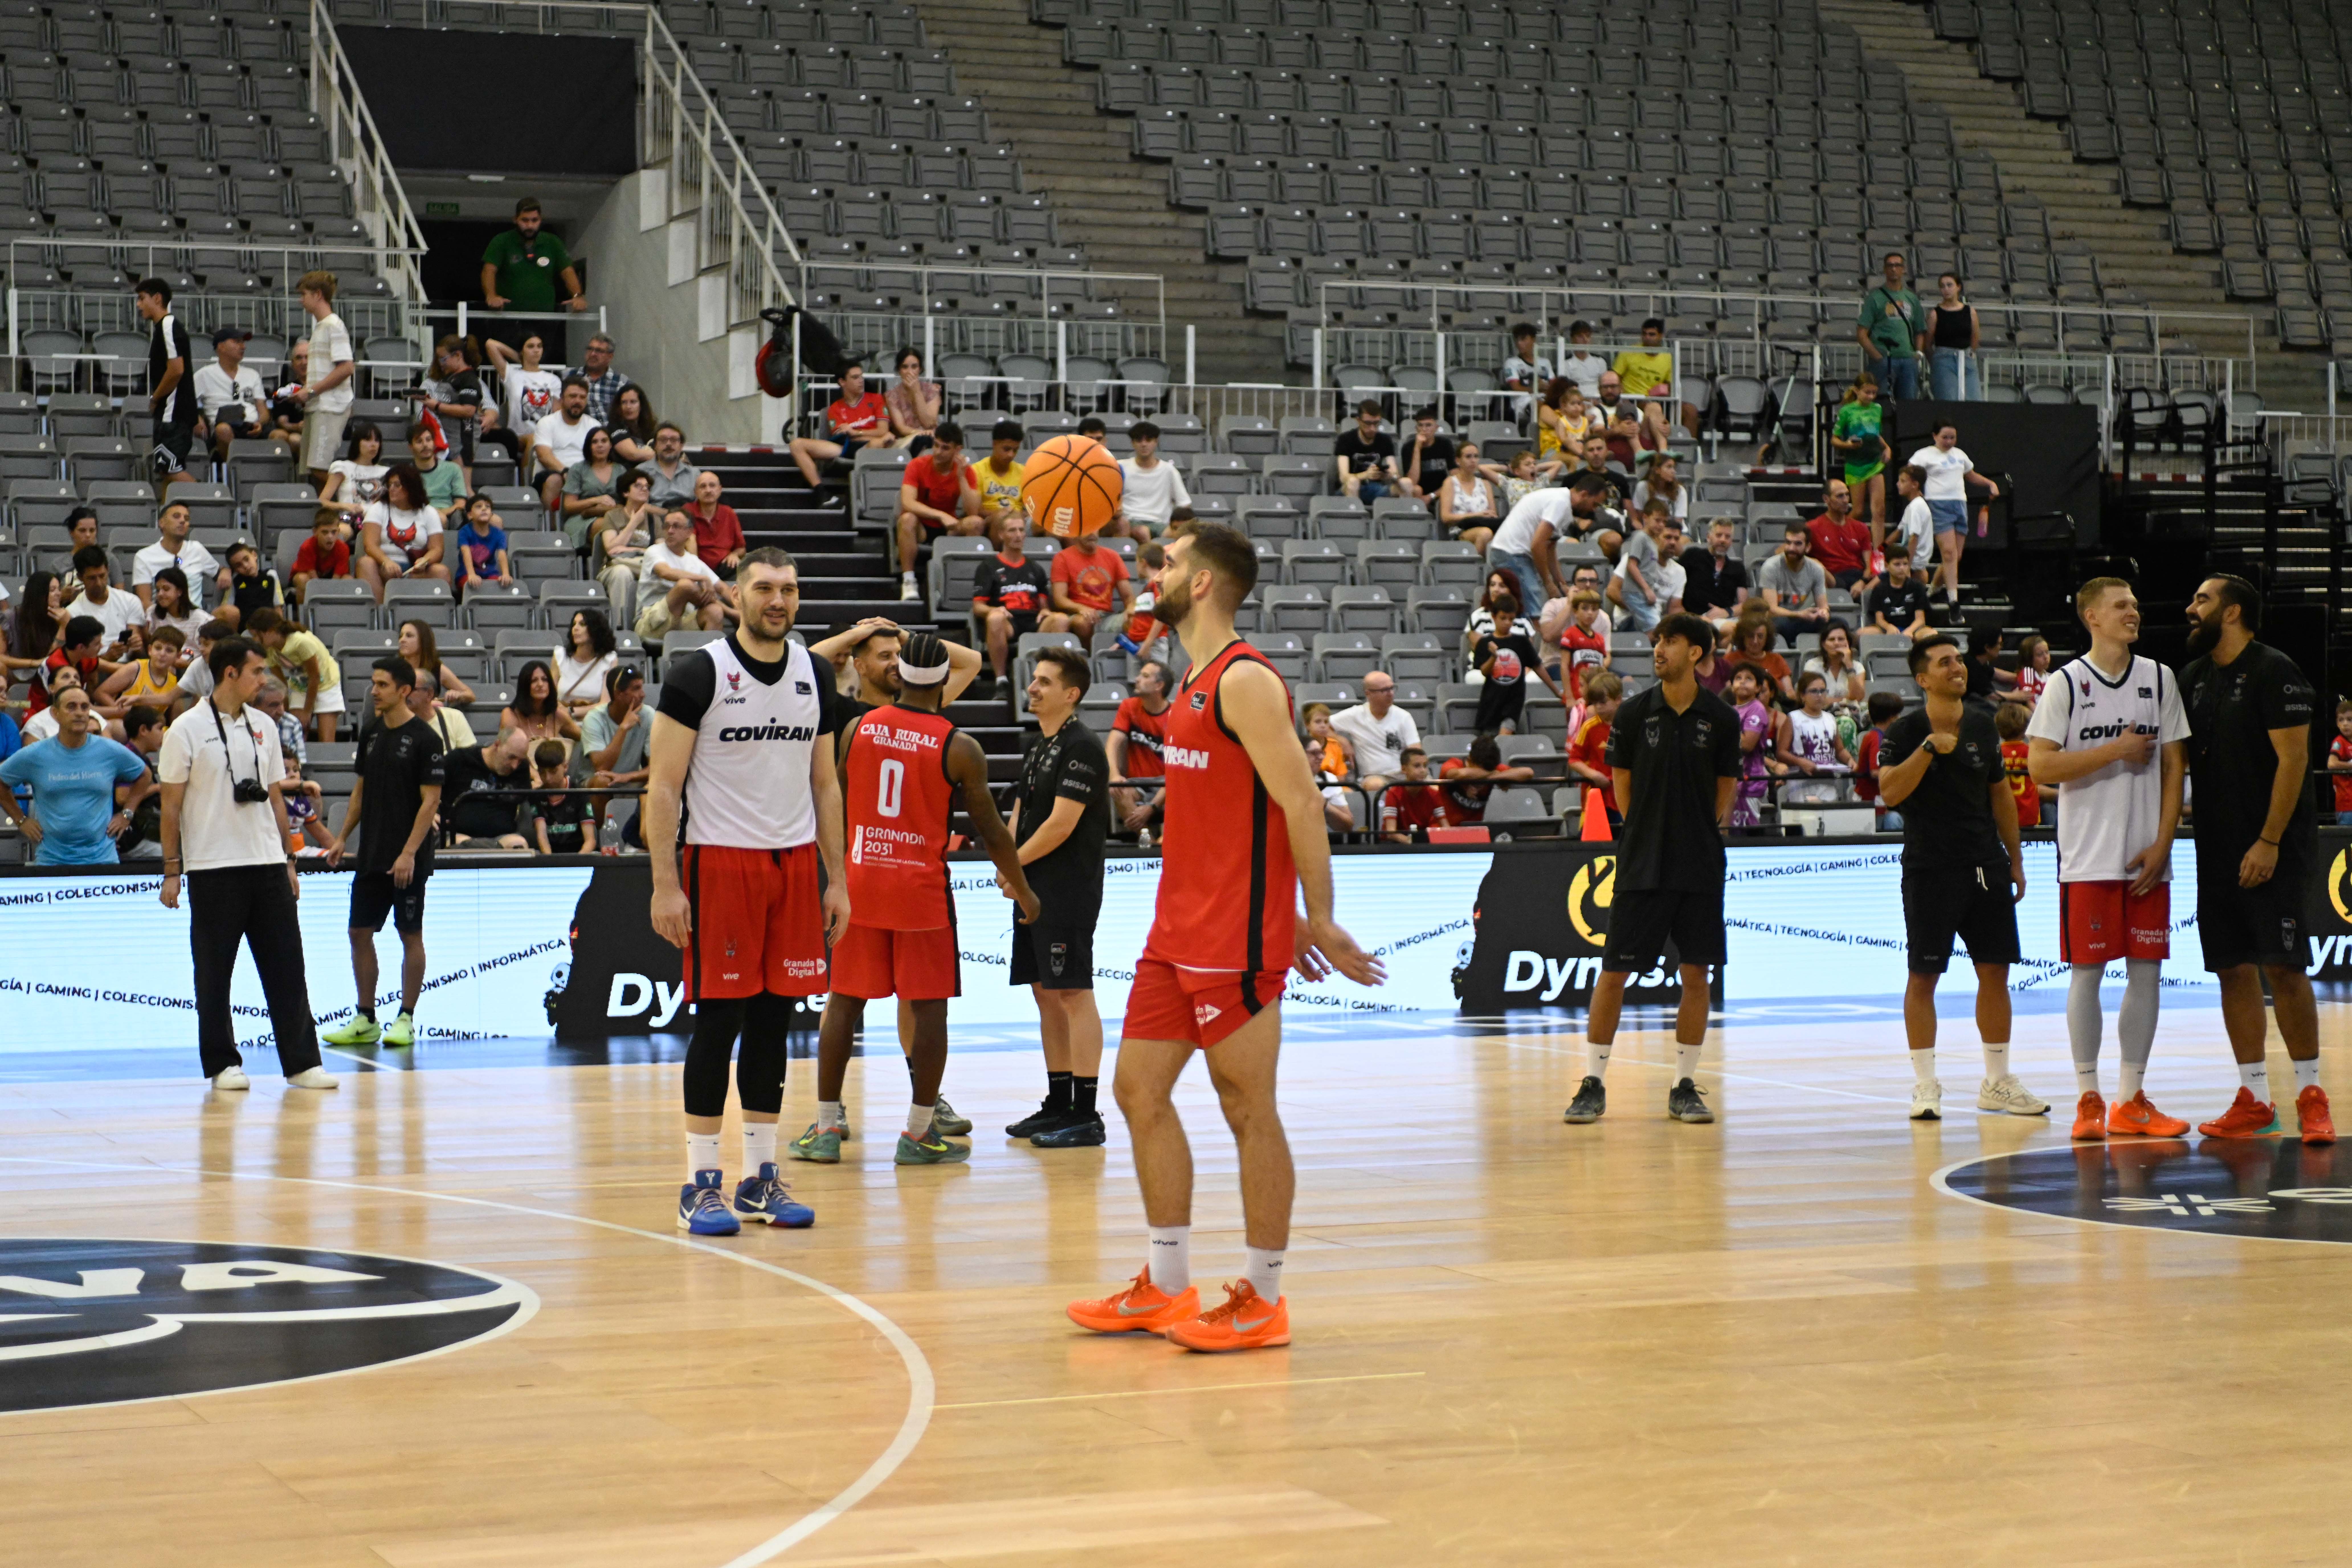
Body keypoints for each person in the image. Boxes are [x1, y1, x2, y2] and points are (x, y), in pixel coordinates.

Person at [1065, 522, 1383, 1353]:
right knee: (1137, 1091)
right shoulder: (1188, 681)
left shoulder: (1244, 681)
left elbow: (1301, 801)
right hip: (1176, 930)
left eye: (1169, 563)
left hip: (1232, 936)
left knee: (1247, 1107)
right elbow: (1224, 813)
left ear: (1202, 582)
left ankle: (1264, 1296)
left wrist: (1315, 916)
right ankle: (1168, 1283)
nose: (1154, 572)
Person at [645, 546, 848, 1235]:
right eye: (763, 587)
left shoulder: (816, 673)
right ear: (736, 594)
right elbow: (663, 787)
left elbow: (825, 783)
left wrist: (837, 879)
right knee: (719, 1025)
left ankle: (761, 1179)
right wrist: (665, 884)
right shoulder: (699, 673)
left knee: (773, 1022)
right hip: (719, 864)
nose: (777, 600)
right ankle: (699, 1184)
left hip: (793, 867)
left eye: (788, 589)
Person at [793, 631, 1038, 1169]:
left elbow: (832, 804)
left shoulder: (858, 729)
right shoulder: (960, 746)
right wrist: (1022, 887)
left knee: (844, 1001)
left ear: (899, 674)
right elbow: (993, 830)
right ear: (946, 680)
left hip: (862, 883)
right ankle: (920, 1132)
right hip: (920, 892)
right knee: (928, 1010)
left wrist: (835, 873)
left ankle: (827, 1127)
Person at [2025, 577, 2191, 1142]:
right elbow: (2041, 767)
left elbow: (2175, 766)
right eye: (2121, 605)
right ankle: (2088, 1098)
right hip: (2089, 857)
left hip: (2147, 856)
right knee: (2087, 975)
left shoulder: (2160, 677)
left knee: (2147, 974)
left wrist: (2165, 843)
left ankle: (2130, 1098)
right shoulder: (2066, 683)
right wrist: (2115, 750)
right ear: (2092, 616)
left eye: (2136, 604)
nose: (2133, 612)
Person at [1563, 612, 1740, 1127]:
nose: (1659, 649)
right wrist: (1649, 829)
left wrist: (1694, 831)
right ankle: (1593, 1082)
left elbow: (1724, 791)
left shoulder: (1721, 718)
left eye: (1671, 641)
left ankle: (1684, 1085)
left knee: (1697, 973)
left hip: (1700, 863)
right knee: (1614, 972)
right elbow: (1622, 786)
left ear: (1697, 653)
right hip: (1642, 861)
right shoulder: (1634, 713)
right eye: (1658, 640)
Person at [2177, 576, 2333, 1142]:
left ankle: (2312, 1094)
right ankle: (2255, 1099)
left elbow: (2294, 760)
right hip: (2216, 847)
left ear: (2233, 611)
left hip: (2275, 846)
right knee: (2231, 968)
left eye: (2202, 599)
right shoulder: (2192, 678)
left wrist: (2268, 840)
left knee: (2284, 967)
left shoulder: (2275, 670)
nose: (2190, 608)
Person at [1873, 633, 2045, 1121]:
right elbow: (1890, 792)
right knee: (1923, 975)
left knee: (1996, 970)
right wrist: (1929, 749)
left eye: (1959, 660)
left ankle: (1998, 1081)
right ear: (1922, 679)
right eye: (1944, 662)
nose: (1957, 668)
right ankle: (1925, 1085)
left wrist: (2015, 860)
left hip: (1986, 864)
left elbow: (2001, 796)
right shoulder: (1906, 731)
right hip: (1930, 867)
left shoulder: (1983, 724)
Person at [157, 634, 336, 1091]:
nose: (264, 679)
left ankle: (303, 1064)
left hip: (268, 863)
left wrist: (289, 859)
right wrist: (172, 870)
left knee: (288, 968)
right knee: (214, 973)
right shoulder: (186, 729)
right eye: (257, 671)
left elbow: (274, 796)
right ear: (231, 673)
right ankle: (223, 1064)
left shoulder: (266, 726)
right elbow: (171, 807)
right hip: (212, 867)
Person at [984, 646, 1115, 1147]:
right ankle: (1059, 1102)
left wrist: (1014, 867)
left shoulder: (1082, 747)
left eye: (1044, 681)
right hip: (1033, 888)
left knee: (1073, 992)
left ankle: (1086, 1113)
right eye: (1033, 679)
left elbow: (1062, 824)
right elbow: (1022, 811)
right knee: (1045, 993)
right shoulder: (1039, 744)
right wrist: (1009, 863)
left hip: (1067, 890)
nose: (1033, 687)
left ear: (1071, 693)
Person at [320, 657, 444, 1050]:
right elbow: (361, 790)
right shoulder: (371, 731)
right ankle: (366, 1018)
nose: (374, 691)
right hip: (371, 853)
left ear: (405, 691)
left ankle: (406, 1017)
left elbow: (430, 802)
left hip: (407, 857)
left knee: (410, 934)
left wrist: (408, 853)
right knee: (359, 932)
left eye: (383, 685)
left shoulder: (427, 739)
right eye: (374, 683)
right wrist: (342, 838)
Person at [0, 681, 150, 864]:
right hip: (52, 860)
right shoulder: (36, 754)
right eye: (71, 707)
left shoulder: (109, 750)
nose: (79, 713)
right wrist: (21, 820)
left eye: (85, 707)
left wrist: (127, 814)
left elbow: (145, 775)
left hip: (103, 860)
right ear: (56, 713)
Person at [972, 511, 1065, 698]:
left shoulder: (1035, 568)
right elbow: (978, 607)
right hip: (1008, 621)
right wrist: (995, 610)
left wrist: (1045, 611)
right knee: (995, 619)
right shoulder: (988, 566)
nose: (1018, 535)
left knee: (1061, 620)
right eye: (1012, 531)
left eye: (1022, 530)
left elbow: (1043, 604)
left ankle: (1047, 678)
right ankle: (1001, 681)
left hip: (1032, 620)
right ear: (1001, 535)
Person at [1907, 422, 1999, 612]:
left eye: (1952, 438)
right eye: (1945, 438)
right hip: (1938, 504)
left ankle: (1933, 590)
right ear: (1935, 436)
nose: (1949, 442)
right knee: (1949, 553)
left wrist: (1990, 484)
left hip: (1959, 505)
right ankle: (1953, 600)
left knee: (1956, 557)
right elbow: (1909, 474)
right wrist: (1917, 492)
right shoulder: (1924, 455)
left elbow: (1971, 475)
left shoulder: (1960, 455)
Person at [480, 196, 586, 360]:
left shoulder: (552, 242)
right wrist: (491, 296)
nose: (530, 225)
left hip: (544, 320)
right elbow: (489, 271)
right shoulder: (502, 241)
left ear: (541, 220)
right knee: (510, 365)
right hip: (509, 319)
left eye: (534, 220)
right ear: (516, 220)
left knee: (541, 363)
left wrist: (578, 296)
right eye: (525, 220)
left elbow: (568, 271)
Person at [894, 422, 981, 598]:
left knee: (976, 524)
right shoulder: (917, 465)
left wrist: (962, 478)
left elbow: (973, 511)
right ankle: (909, 581)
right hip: (922, 527)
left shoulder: (966, 471)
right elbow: (908, 503)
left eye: (945, 448)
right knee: (907, 519)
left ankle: (961, 579)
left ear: (958, 450)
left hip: (949, 529)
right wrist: (940, 515)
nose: (938, 452)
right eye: (936, 445)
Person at [295, 270, 357, 492]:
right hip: (319, 406)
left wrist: (311, 391)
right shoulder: (323, 327)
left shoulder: (333, 325)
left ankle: (357, 494)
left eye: (304, 294)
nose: (301, 300)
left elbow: (347, 367)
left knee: (320, 468)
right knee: (313, 469)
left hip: (330, 407)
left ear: (318, 295)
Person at [135, 276, 197, 491]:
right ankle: (170, 509)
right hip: (173, 412)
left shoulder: (168, 325)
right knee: (166, 469)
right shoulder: (164, 328)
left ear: (157, 299)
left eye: (142, 298)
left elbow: (176, 370)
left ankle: (209, 502)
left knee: (171, 468)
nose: (139, 305)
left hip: (173, 412)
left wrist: (156, 398)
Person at [790, 361, 895, 488]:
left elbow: (883, 431)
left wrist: (856, 433)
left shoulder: (877, 399)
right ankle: (820, 490)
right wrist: (865, 436)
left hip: (872, 446)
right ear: (842, 382)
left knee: (884, 440)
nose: (861, 381)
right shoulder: (835, 409)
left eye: (861, 377)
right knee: (796, 445)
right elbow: (844, 439)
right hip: (844, 448)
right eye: (855, 378)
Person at [246, 607, 341, 742]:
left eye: (256, 635)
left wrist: (307, 712)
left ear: (270, 631)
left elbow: (315, 677)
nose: (255, 641)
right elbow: (281, 685)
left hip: (326, 684)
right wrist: (285, 711)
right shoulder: (269, 651)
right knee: (297, 734)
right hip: (301, 686)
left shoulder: (301, 642)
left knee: (327, 742)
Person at [635, 509, 733, 638]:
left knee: (715, 612)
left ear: (689, 532)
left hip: (682, 622)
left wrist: (741, 608)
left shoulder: (694, 561)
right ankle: (732, 615)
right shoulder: (654, 551)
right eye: (667, 526)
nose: (670, 531)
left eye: (676, 526)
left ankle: (707, 652)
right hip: (652, 622)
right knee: (685, 586)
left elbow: (723, 588)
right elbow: (665, 572)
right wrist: (702, 578)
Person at [1472, 594, 1561, 736]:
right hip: (1491, 703)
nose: (1507, 623)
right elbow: (1484, 671)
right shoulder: (1485, 643)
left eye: (1511, 619)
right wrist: (1494, 657)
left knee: (1504, 737)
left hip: (1513, 703)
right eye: (1503, 618)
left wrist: (1556, 692)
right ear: (1494, 617)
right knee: (1491, 744)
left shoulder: (1522, 642)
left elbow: (1538, 667)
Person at [1486, 485, 1572, 622]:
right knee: (1533, 607)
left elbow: (1550, 549)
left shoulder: (1563, 505)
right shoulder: (1561, 502)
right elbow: (1537, 546)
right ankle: (1533, 633)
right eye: (1595, 504)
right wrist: (1548, 583)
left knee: (1525, 606)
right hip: (1511, 553)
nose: (1594, 510)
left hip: (1513, 553)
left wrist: (1562, 584)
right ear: (1584, 495)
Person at [1328, 670, 1419, 800]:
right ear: (1369, 694)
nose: (1391, 693)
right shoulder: (1356, 715)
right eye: (1385, 690)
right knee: (1375, 786)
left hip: (1404, 775)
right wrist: (1342, 740)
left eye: (1392, 688)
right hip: (1375, 776)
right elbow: (1324, 727)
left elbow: (1415, 751)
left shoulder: (1404, 717)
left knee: (1434, 787)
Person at [438, 727, 533, 847]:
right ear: (497, 745)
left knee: (519, 844)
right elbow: (427, 788)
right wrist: (431, 816)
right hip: (458, 835)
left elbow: (527, 799)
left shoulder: (520, 769)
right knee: (465, 846)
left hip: (503, 837)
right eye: (512, 757)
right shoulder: (460, 759)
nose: (515, 766)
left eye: (520, 761)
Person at [1108, 656, 1171, 836]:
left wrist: (1152, 807)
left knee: (1180, 791)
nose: (1137, 679)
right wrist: (1115, 775)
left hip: (1167, 783)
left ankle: (1163, 844)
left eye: (1145, 676)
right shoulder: (1129, 707)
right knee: (1119, 790)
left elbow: (1177, 772)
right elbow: (1113, 743)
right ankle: (1147, 841)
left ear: (1159, 686)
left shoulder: (1174, 716)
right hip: (1138, 783)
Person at [1048, 528, 1135, 651]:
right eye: (1087, 529)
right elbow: (1060, 599)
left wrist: (1131, 609)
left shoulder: (1113, 556)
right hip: (1077, 614)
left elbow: (1128, 597)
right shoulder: (1062, 558)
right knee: (1084, 623)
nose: (1092, 533)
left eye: (1095, 529)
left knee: (1136, 619)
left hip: (1107, 617)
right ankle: (1088, 658)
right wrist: (1081, 609)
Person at [1856, 252, 1925, 402]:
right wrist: (1878, 357)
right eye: (1890, 266)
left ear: (1904, 269)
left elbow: (1920, 330)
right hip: (1883, 361)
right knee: (1880, 405)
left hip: (1908, 361)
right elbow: (1862, 334)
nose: (1894, 269)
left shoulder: (1912, 298)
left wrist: (1918, 355)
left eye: (1898, 265)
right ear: (1885, 270)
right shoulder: (1875, 298)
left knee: (1908, 406)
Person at [416, 335, 487, 476]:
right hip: (448, 439)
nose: (440, 364)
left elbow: (469, 410)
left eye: (443, 359)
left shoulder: (469, 379)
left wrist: (437, 406)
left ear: (458, 356)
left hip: (463, 439)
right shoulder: (451, 377)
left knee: (462, 484)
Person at [1829, 376, 1892, 536]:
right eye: (1867, 393)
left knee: (1880, 511)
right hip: (1856, 465)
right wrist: (1848, 445)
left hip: (1875, 462)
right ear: (1857, 391)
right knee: (1858, 511)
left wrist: (1887, 447)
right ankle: (1838, 535)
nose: (1871, 397)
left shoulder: (1877, 409)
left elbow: (1875, 433)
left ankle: (1878, 550)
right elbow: (1834, 439)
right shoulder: (1847, 411)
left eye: (1874, 393)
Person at [485, 334, 562, 463]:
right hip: (519, 436)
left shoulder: (553, 380)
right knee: (533, 439)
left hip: (546, 436)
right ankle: (526, 477)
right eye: (531, 347)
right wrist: (519, 357)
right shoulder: (512, 375)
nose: (536, 350)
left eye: (539, 347)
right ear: (522, 350)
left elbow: (557, 412)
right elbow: (491, 345)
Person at [196, 325, 267, 464]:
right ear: (221, 347)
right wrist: (197, 419)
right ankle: (236, 470)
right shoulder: (205, 375)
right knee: (223, 430)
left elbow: (263, 409)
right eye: (237, 342)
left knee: (280, 436)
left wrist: (260, 424)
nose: (243, 347)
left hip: (251, 426)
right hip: (224, 427)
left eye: (243, 343)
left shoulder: (252, 375)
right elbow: (186, 401)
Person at [532, 376, 601, 514]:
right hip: (553, 474)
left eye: (582, 397)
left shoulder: (594, 426)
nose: (578, 401)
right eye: (573, 396)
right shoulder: (547, 423)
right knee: (555, 480)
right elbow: (544, 456)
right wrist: (567, 473)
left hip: (585, 475)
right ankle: (551, 527)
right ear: (562, 399)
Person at [1117, 420, 1190, 538]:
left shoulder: (1169, 470)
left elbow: (1184, 504)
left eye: (1149, 440)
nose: (1144, 444)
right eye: (1139, 441)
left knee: (1179, 535)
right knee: (1143, 532)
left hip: (1162, 524)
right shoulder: (1120, 467)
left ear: (1156, 442)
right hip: (1130, 521)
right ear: (1133, 443)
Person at [66, 547, 140, 656]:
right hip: (95, 665)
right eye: (92, 578)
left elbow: (138, 650)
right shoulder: (73, 613)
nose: (99, 583)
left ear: (108, 571)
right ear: (80, 577)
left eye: (102, 576)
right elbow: (78, 660)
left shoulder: (130, 601)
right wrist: (107, 657)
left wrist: (136, 645)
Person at [1679, 516, 1749, 628]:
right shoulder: (1693, 556)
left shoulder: (1738, 568)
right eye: (1719, 535)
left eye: (1728, 537)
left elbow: (1744, 605)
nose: (1723, 540)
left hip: (1725, 618)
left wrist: (1727, 612)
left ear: (1731, 541)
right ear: (1709, 537)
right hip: (1694, 618)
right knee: (1733, 630)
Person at [1807, 479, 1873, 591]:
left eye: (1847, 495)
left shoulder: (1861, 527)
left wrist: (1863, 582)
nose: (1846, 500)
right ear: (1826, 499)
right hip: (1832, 579)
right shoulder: (1813, 527)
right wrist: (1814, 562)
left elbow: (1870, 565)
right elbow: (1786, 550)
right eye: (1840, 496)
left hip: (1858, 578)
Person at [525, 738, 589, 854]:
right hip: (550, 857)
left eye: (553, 772)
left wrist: (578, 861)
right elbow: (542, 837)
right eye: (542, 772)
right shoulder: (536, 796)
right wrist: (552, 861)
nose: (548, 779)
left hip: (578, 856)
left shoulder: (580, 793)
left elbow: (590, 841)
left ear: (566, 767)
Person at [1926, 272, 1981, 401]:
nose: (1946, 289)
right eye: (1943, 286)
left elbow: (1975, 337)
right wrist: (1935, 362)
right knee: (1949, 399)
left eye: (1950, 285)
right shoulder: (1935, 314)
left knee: (1974, 400)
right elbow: (1928, 343)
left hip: (1966, 358)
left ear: (1959, 287)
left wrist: (1971, 354)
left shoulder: (1970, 312)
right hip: (1944, 359)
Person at [397, 618, 475, 709]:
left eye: (409, 636)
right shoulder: (393, 669)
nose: (402, 640)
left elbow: (470, 695)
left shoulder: (437, 669)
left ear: (423, 641)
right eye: (401, 636)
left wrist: (458, 695)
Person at [553, 608, 618, 714]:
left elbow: (605, 704)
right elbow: (549, 699)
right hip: (563, 719)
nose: (575, 628)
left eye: (582, 624)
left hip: (594, 719)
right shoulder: (560, 656)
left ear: (596, 629)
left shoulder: (609, 659)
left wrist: (571, 711)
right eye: (574, 624)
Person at [1333, 399, 1400, 502]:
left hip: (1377, 488)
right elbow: (1343, 478)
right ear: (1359, 421)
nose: (1373, 428)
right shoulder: (1346, 439)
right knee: (1353, 482)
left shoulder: (1385, 440)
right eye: (1368, 424)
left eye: (1376, 423)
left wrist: (1389, 476)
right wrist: (1365, 475)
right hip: (1349, 488)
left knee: (1406, 484)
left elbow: (1395, 473)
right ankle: (1354, 511)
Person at [1436, 442, 1498, 550]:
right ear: (1458, 461)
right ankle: (1478, 562)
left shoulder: (1486, 484)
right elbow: (1446, 517)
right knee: (1485, 534)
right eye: (1468, 457)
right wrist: (1476, 516)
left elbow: (1493, 514)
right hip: (1460, 530)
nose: (1473, 461)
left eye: (1476, 457)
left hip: (1485, 526)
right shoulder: (1450, 483)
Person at [1995, 700, 2045, 828]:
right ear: (2026, 729)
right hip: (2029, 812)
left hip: (2004, 813)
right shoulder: (2031, 752)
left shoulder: (1997, 753)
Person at [972, 418, 1027, 529]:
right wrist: (1003, 514)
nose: (1011, 455)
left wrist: (1017, 516)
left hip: (1019, 521)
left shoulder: (1024, 472)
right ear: (995, 444)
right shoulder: (976, 470)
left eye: (1015, 450)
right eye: (1007, 449)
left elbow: (1031, 510)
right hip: (989, 521)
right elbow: (977, 510)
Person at [291, 507, 353, 602]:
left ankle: (340, 610)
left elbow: (337, 579)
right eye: (325, 532)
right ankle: (304, 611)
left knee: (348, 580)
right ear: (315, 532)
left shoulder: (343, 548)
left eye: (334, 532)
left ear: (339, 532)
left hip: (331, 579)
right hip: (310, 578)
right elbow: (314, 579)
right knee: (302, 579)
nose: (330, 537)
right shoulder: (307, 547)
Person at [452, 495, 512, 594]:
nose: (484, 509)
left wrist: (506, 574)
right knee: (471, 586)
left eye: (488, 507)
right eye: (479, 507)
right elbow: (466, 552)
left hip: (490, 574)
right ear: (470, 515)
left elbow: (502, 554)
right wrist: (472, 575)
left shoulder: (499, 534)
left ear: (492, 514)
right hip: (466, 574)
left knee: (499, 588)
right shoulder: (465, 532)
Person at [1867, 548, 1932, 639]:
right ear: (1887, 566)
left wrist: (1910, 631)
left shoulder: (1917, 587)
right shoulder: (1879, 589)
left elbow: (1920, 620)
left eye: (1905, 564)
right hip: (1887, 630)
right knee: (1862, 633)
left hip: (1914, 630)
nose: (1902, 568)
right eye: (1897, 564)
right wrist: (1889, 627)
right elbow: (1879, 620)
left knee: (1931, 634)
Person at [1612, 316, 1674, 400]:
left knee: (1689, 407)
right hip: (1631, 399)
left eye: (1652, 335)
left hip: (1656, 400)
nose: (1647, 338)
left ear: (1661, 336)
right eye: (1644, 334)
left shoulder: (1668, 358)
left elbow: (1669, 385)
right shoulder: (1628, 352)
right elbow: (1615, 377)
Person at [1500, 322, 1553, 418]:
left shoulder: (1546, 363)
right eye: (1517, 340)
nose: (1519, 343)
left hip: (1545, 398)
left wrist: (1546, 388)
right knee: (1541, 406)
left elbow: (1554, 385)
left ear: (1534, 340)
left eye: (1523, 339)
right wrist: (1536, 388)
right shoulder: (1511, 363)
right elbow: (1516, 388)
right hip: (1523, 402)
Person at [1400, 406, 1453, 500]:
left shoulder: (1445, 444)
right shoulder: (1408, 447)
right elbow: (1412, 482)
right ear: (1416, 428)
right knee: (1417, 489)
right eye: (1421, 426)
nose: (1424, 429)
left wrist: (1432, 496)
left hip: (1440, 492)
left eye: (1428, 425)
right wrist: (1417, 449)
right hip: (1418, 494)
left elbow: (1456, 476)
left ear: (1436, 428)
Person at [645, 422, 701, 511]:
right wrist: (668, 514)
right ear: (655, 445)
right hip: (653, 518)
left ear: (681, 446)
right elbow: (638, 506)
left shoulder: (695, 474)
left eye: (674, 440)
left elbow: (703, 506)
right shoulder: (642, 472)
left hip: (688, 517)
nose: (669, 444)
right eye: (663, 440)